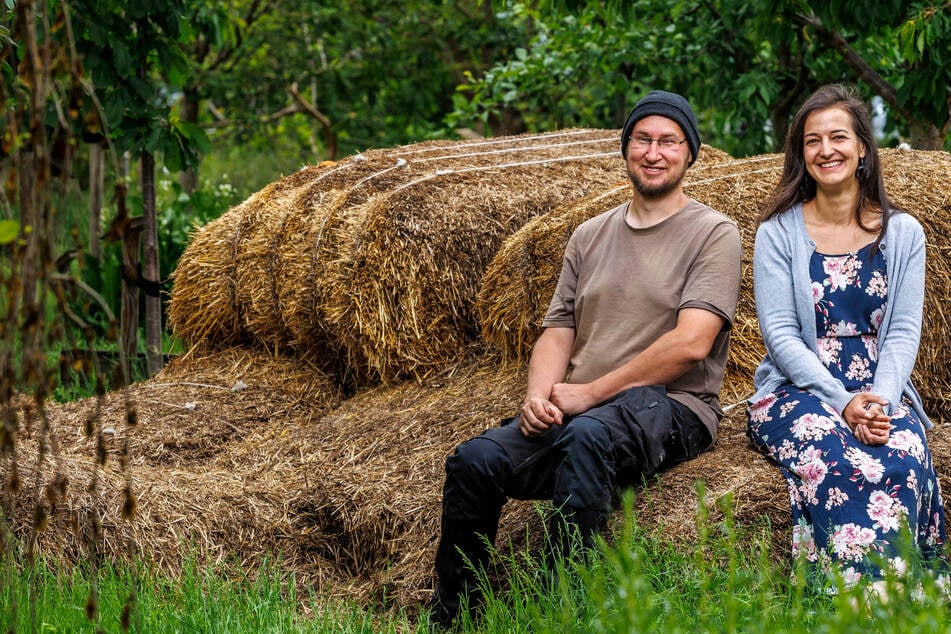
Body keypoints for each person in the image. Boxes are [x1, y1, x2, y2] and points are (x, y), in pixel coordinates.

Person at [428, 90, 743, 628]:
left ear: (690, 153)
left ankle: (562, 611)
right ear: (625, 150)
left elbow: (692, 342)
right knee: (473, 462)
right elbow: (559, 329)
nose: (653, 151)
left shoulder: (713, 233)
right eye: (642, 139)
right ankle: (455, 618)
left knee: (587, 436)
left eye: (669, 141)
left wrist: (589, 394)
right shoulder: (589, 235)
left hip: (672, 406)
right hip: (584, 412)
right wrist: (538, 396)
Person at [747, 84, 946, 597]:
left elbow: (903, 331)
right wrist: (842, 401)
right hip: (799, 387)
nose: (826, 150)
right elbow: (781, 335)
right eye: (812, 141)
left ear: (862, 148)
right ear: (800, 153)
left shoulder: (903, 233)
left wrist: (877, 400)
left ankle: (910, 596)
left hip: (880, 385)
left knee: (902, 452)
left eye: (839, 136)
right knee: (835, 458)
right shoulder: (776, 232)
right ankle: (850, 598)